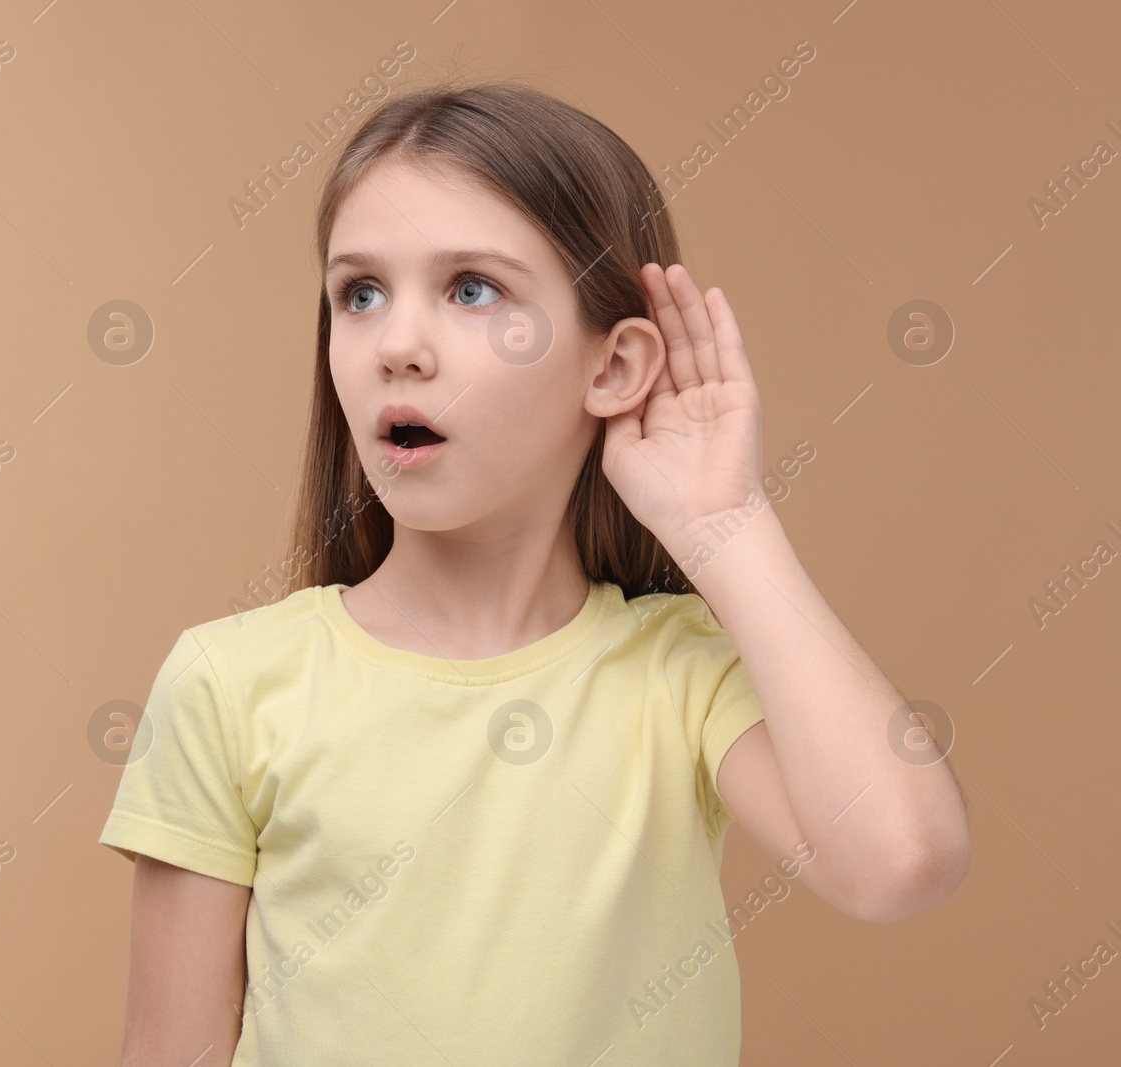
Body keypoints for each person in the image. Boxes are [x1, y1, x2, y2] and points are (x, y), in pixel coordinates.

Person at [98, 79, 971, 1066]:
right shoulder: (231, 682)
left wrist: (725, 522)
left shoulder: (679, 676)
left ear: (613, 367)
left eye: (472, 288)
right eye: (360, 292)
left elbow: (902, 860)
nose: (397, 346)